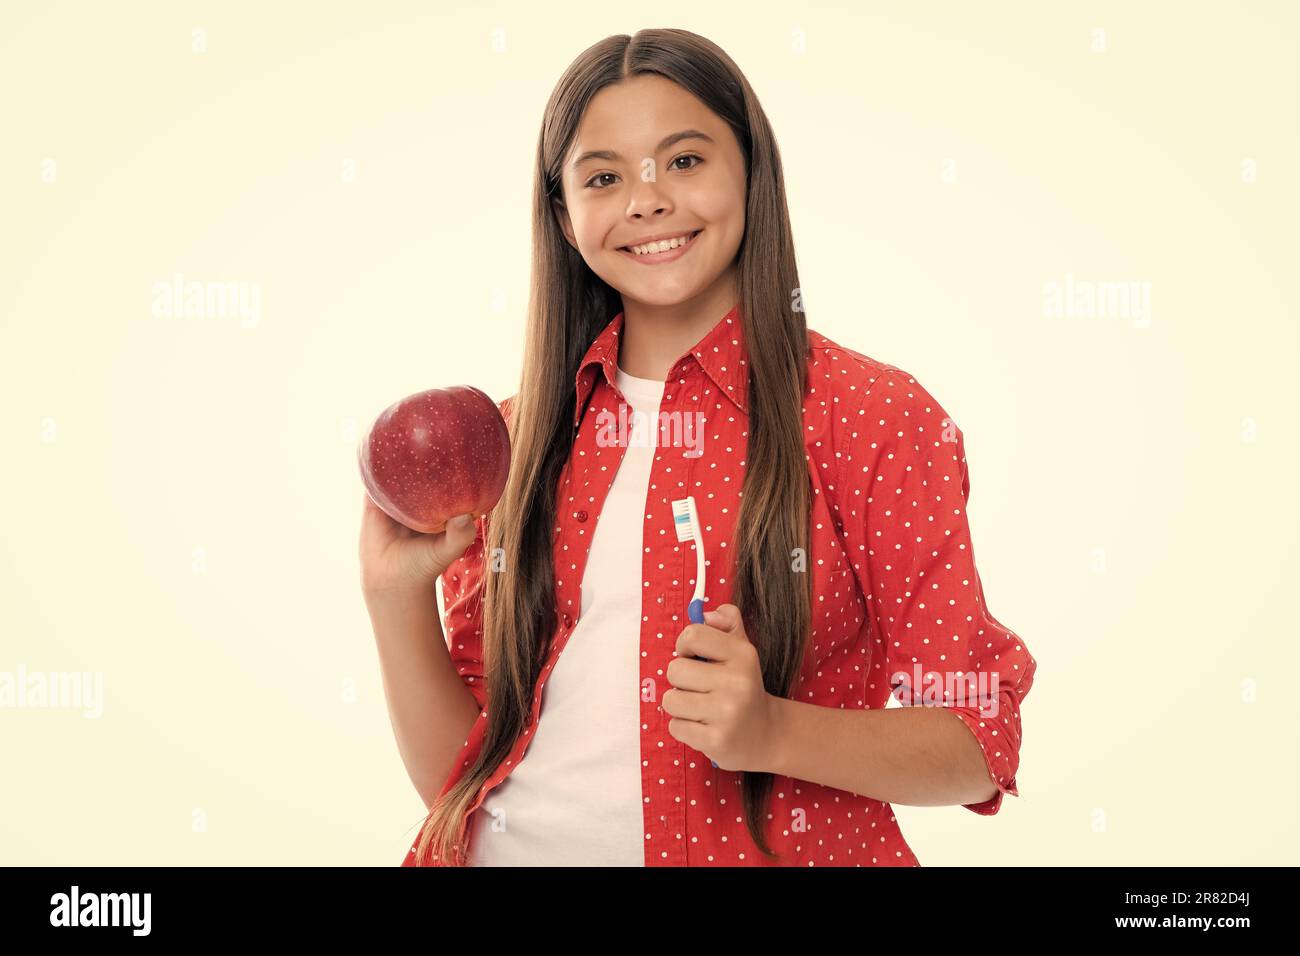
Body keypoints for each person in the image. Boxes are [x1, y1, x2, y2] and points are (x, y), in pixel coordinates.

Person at [360, 27, 1036, 867]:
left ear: (752, 172)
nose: (645, 200)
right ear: (565, 218)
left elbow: (977, 740)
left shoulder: (876, 417)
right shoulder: (516, 441)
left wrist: (772, 731)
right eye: (604, 176)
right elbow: (460, 781)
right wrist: (392, 599)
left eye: (683, 161)